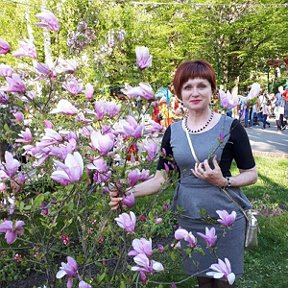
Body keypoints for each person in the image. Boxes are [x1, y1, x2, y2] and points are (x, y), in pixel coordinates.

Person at [109, 60, 258, 288]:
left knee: (224, 284)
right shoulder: (173, 132)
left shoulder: (232, 127)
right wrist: (127, 192)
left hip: (225, 218)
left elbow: (251, 174)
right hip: (189, 217)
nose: (195, 92)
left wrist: (223, 180)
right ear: (179, 93)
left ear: (212, 90)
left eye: (202, 85)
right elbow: (161, 180)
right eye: (188, 87)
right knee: (202, 281)